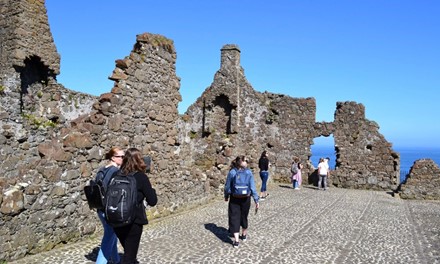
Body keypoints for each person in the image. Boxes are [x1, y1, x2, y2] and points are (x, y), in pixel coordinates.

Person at [113, 148, 158, 264]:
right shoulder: (141, 177)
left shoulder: (116, 174)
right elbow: (152, 201)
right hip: (133, 221)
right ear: (139, 160)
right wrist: (151, 190)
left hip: (116, 219)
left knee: (129, 252)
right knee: (129, 257)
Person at [96, 147, 124, 264]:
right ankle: (100, 262)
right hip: (109, 209)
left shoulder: (102, 170)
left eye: (124, 156)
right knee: (109, 236)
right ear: (113, 158)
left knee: (112, 233)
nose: (123, 159)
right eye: (120, 157)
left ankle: (116, 259)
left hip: (100, 208)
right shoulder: (114, 171)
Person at [224, 156, 259, 248]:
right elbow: (252, 187)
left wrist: (226, 196)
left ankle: (236, 241)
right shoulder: (248, 172)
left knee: (234, 217)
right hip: (246, 198)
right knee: (244, 216)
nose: (247, 162)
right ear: (241, 162)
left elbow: (227, 186)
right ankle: (243, 235)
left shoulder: (232, 172)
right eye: (245, 160)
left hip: (234, 198)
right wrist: (256, 199)